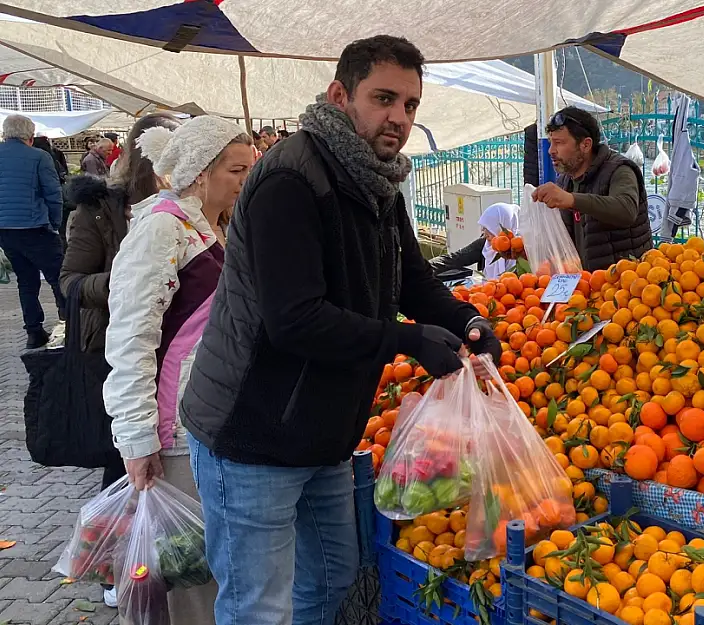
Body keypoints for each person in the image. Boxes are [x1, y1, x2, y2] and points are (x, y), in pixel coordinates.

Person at [178, 35, 502, 625]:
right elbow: (294, 320)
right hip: (252, 432)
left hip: (324, 433)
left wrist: (465, 320)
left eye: (410, 105)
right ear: (340, 96)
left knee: (330, 578)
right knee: (258, 607)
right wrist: (409, 341)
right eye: (384, 98)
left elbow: (410, 277)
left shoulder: (377, 180)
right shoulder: (289, 180)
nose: (398, 119)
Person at [103, 115, 253, 624]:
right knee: (187, 573)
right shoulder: (161, 228)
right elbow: (130, 337)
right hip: (175, 431)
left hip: (214, 421)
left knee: (209, 567)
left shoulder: (215, 227)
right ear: (200, 171)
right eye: (236, 170)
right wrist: (137, 439)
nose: (244, 181)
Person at [60, 111, 182, 608]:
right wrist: (123, 282)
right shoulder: (98, 209)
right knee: (123, 459)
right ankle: (115, 569)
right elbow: (68, 281)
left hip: (173, 350)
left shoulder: (190, 209)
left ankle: (158, 563)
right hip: (113, 347)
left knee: (161, 465)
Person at [531, 106, 652, 270]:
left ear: (585, 145)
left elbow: (626, 209)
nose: (551, 150)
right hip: (586, 285)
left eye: (559, 143)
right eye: (551, 142)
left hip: (627, 284)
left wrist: (571, 200)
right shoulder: (565, 180)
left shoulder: (620, 170)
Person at [0, 114, 65, 349]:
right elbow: (53, 194)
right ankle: (70, 326)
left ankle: (34, 332)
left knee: (26, 283)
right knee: (59, 278)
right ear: (30, 135)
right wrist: (55, 224)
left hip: (6, 230)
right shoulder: (39, 156)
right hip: (36, 227)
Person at [429, 202, 519, 278]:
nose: (483, 230)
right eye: (483, 226)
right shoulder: (484, 244)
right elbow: (455, 259)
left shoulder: (521, 250)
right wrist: (424, 268)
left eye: (488, 227)